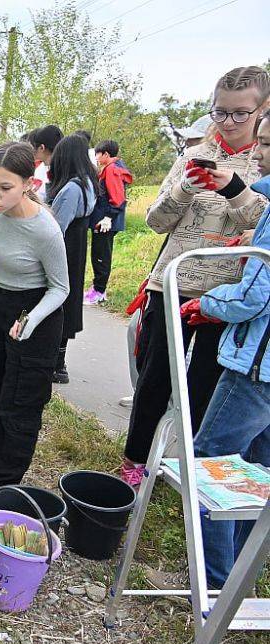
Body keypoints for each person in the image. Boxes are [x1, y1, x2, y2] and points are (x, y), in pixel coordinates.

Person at [121, 66, 269, 487]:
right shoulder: (192, 155)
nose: (228, 123)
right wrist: (184, 186)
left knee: (204, 389)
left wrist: (235, 189)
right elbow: (155, 221)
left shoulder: (262, 161)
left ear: (262, 109)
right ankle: (134, 467)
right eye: (219, 112)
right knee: (154, 381)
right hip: (171, 285)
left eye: (240, 114)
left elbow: (263, 229)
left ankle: (191, 471)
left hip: (227, 297)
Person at [182, 109, 270, 589]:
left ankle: (213, 583)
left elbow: (255, 295)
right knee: (256, 475)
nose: (257, 153)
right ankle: (240, 579)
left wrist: (208, 301)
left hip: (256, 367)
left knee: (213, 465)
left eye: (268, 144)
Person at [0, 142, 68, 509]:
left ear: (28, 183)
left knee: (17, 403)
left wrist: (31, 320)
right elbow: (0, 261)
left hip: (37, 312)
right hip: (2, 306)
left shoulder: (45, 230)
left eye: (5, 187)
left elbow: (61, 288)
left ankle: (3, 485)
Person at [46, 134, 98, 383]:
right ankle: (59, 361)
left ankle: (55, 363)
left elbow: (56, 227)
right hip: (78, 249)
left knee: (56, 299)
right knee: (69, 299)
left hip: (65, 248)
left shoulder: (70, 189)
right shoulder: (88, 182)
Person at [84, 140, 134, 305]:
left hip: (105, 221)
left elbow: (118, 198)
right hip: (105, 219)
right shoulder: (114, 167)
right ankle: (98, 288)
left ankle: (99, 291)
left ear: (106, 154)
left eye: (98, 154)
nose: (96, 157)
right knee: (100, 253)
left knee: (101, 255)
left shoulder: (112, 170)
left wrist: (108, 217)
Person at [29, 125, 63, 201]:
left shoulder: (61, 174)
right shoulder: (41, 169)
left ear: (41, 148)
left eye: (31, 147)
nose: (29, 151)